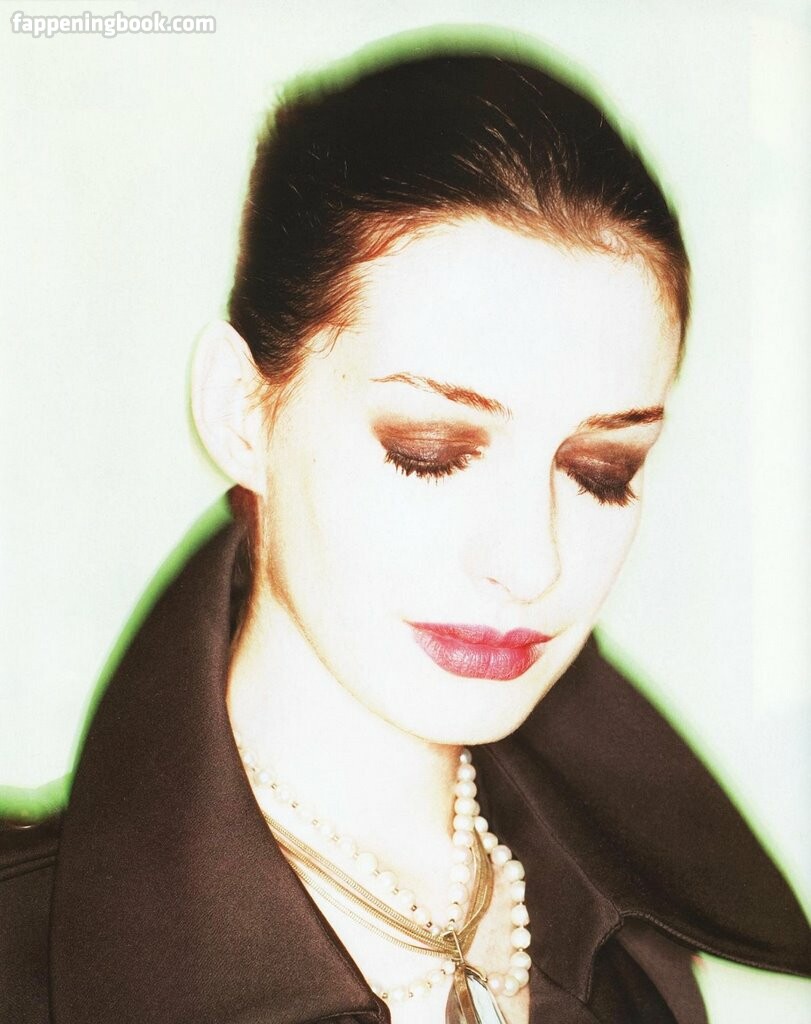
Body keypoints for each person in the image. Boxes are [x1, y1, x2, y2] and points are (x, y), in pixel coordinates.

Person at [2, 44, 809, 1024]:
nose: (529, 562)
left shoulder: (634, 940)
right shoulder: (24, 962)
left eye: (602, 471)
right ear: (241, 412)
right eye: (429, 452)